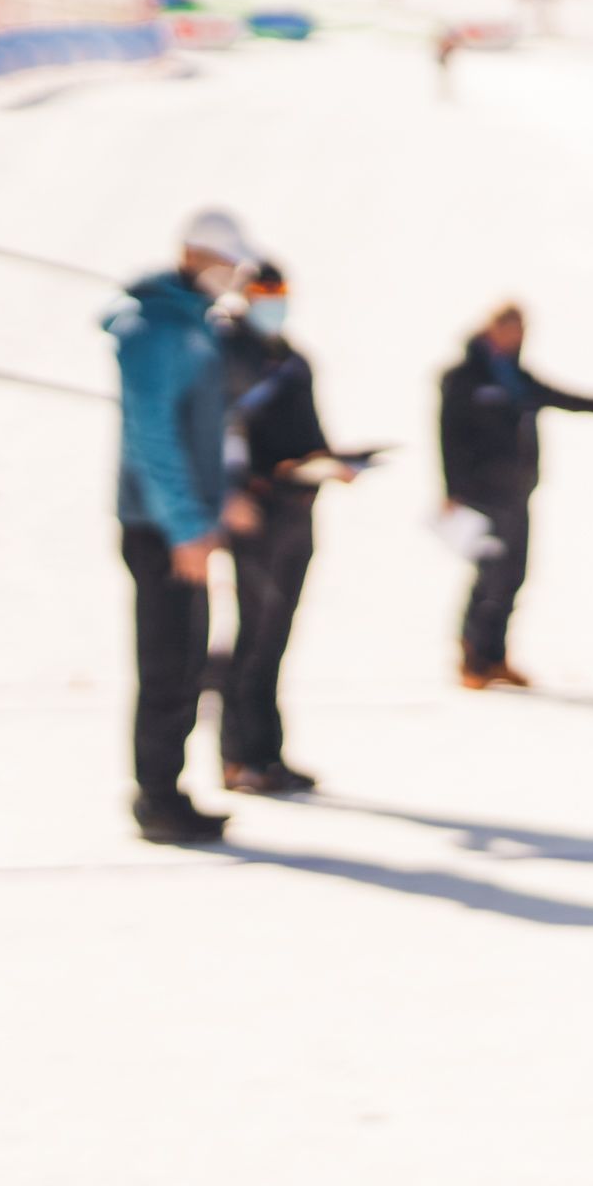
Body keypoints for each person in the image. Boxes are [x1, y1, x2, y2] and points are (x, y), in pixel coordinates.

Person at [109, 207, 255, 845]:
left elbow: (203, 433)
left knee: (190, 659)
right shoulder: (156, 329)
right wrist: (186, 528)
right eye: (228, 263)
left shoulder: (191, 324)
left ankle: (170, 790)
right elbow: (154, 440)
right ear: (196, 256)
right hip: (161, 529)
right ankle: (157, 798)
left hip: (182, 524)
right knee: (168, 663)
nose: (234, 276)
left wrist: (216, 502)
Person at [218, 262, 358, 795]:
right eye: (264, 294)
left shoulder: (292, 358)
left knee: (276, 636)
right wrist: (237, 489)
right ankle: (237, 757)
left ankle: (267, 752)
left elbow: (311, 434)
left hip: (298, 509)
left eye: (282, 294)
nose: (275, 303)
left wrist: (334, 463)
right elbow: (221, 431)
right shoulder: (227, 352)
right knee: (251, 635)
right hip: (255, 513)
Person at [437, 303, 593, 691]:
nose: (516, 337)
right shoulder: (463, 376)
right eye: (510, 329)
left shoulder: (515, 375)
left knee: (514, 574)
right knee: (489, 574)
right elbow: (447, 433)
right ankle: (471, 656)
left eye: (522, 330)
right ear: (492, 328)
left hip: (517, 490)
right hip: (481, 493)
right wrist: (452, 490)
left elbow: (557, 396)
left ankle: (496, 656)